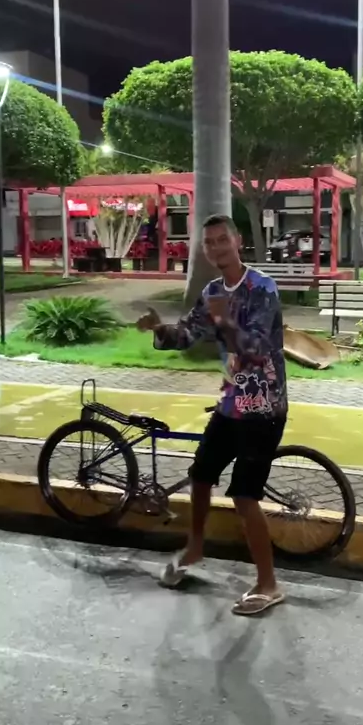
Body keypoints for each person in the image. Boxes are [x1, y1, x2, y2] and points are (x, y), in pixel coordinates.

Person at [137, 214, 288, 616]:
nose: (217, 247)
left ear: (238, 241)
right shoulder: (212, 290)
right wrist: (160, 329)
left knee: (244, 495)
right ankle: (195, 547)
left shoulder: (262, 287)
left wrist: (223, 320)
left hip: (263, 407)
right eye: (209, 242)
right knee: (201, 475)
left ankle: (269, 584)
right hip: (231, 403)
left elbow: (256, 347)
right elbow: (189, 334)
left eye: (223, 239)